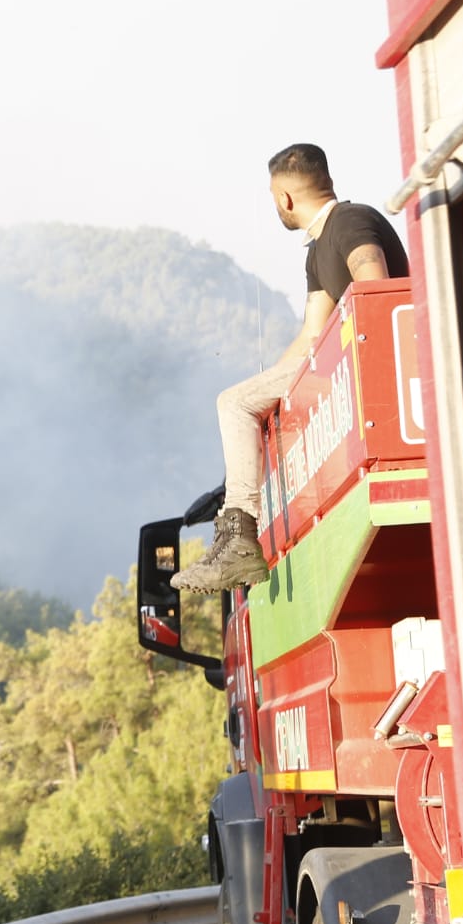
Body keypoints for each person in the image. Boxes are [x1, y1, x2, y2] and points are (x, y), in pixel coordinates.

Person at [175, 143, 410, 593]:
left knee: (231, 402)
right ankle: (240, 528)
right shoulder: (320, 246)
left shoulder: (350, 221)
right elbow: (309, 338)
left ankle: (239, 536)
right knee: (241, 402)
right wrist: (263, 400)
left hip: (373, 375)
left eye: (272, 197)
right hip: (352, 371)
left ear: (284, 197)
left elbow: (375, 287)